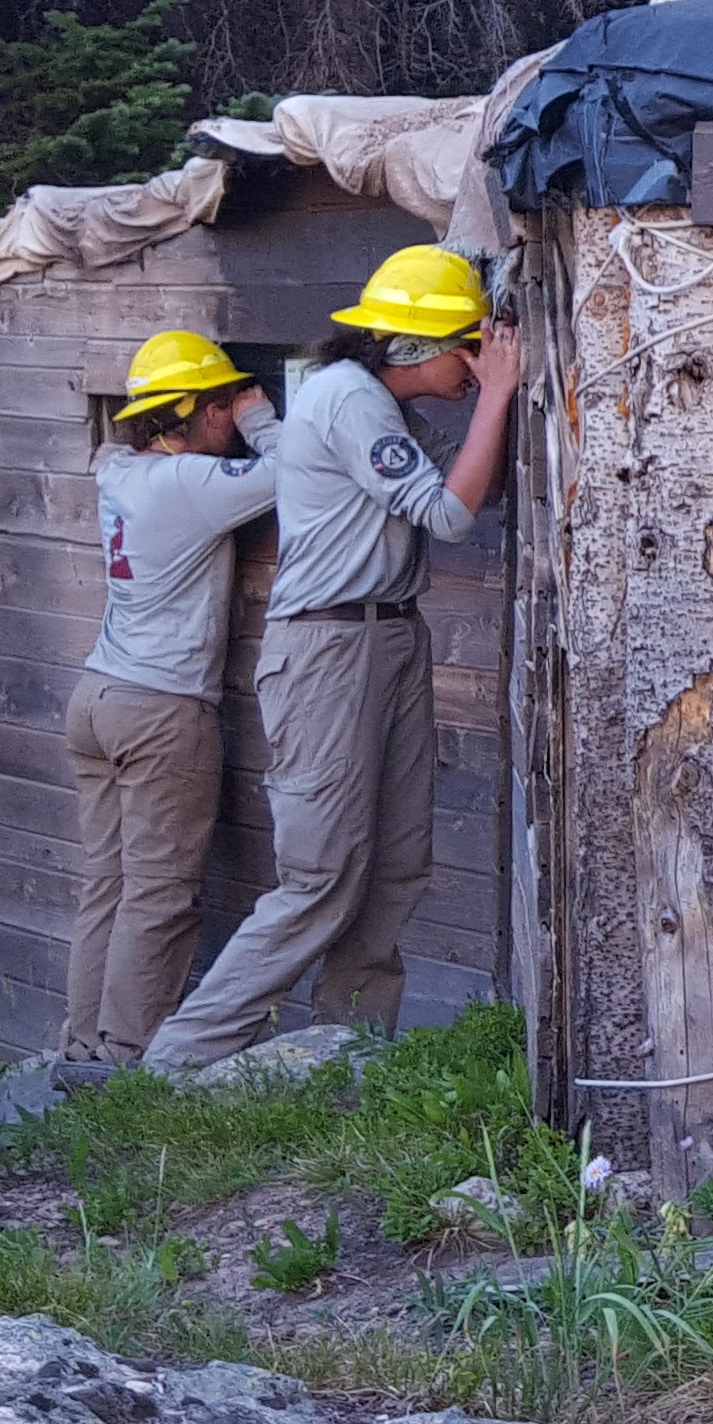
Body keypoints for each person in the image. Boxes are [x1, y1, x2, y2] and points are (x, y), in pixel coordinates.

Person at [142, 246, 521, 1074]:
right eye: (469, 346)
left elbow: (464, 485)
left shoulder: (371, 401)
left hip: (386, 635)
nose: (479, 362)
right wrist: (496, 397)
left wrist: (490, 403)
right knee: (320, 875)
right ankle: (174, 1062)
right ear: (418, 348)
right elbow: (450, 516)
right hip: (329, 647)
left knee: (393, 866)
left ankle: (346, 1055)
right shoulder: (347, 399)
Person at [65, 331, 280, 1071]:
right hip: (161, 707)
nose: (232, 412)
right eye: (222, 401)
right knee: (158, 895)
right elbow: (293, 471)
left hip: (97, 693)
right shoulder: (188, 484)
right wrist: (261, 420)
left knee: (108, 884)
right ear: (193, 411)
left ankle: (81, 1046)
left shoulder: (119, 470)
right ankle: (127, 1061)